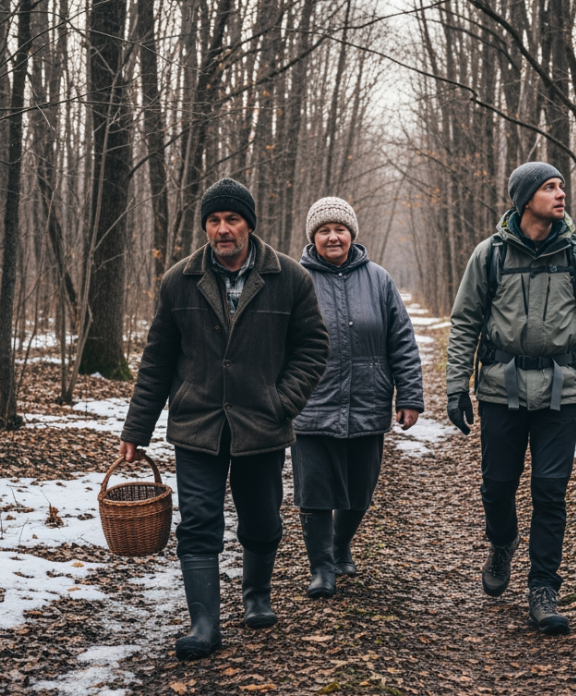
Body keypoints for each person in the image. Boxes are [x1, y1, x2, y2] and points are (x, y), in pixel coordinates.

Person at [119, 177, 329, 660]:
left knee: (261, 520)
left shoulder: (291, 278)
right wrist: (137, 429)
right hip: (197, 425)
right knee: (197, 523)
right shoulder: (178, 280)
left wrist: (281, 402)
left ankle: (256, 596)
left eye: (232, 219)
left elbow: (313, 348)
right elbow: (157, 359)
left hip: (262, 424)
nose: (222, 230)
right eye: (213, 221)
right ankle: (204, 625)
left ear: (249, 225)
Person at [444, 162, 576, 635]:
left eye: (562, 185)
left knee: (550, 491)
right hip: (501, 390)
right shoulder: (490, 255)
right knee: (497, 486)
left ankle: (543, 587)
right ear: (525, 199)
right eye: (549, 187)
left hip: (562, 391)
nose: (561, 194)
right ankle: (502, 542)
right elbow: (464, 323)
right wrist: (456, 387)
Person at [291, 197, 424, 598]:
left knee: (360, 488)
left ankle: (340, 543)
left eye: (340, 229)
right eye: (324, 231)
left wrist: (410, 395)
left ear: (352, 234)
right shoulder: (295, 279)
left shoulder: (379, 279)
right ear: (313, 237)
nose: (333, 237)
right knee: (314, 488)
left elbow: (401, 339)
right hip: (310, 402)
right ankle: (321, 568)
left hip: (368, 398)